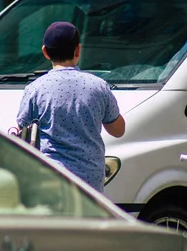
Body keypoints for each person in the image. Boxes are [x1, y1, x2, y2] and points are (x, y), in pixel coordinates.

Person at [16, 21, 125, 193]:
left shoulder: (35, 89)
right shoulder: (98, 86)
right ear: (78, 50)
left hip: (52, 177)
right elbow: (118, 130)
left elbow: (22, 126)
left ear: (45, 52)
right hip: (91, 180)